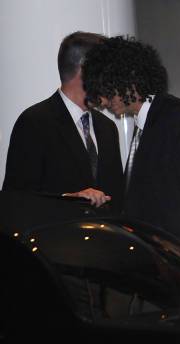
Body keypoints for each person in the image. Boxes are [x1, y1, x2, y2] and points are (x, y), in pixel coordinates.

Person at [81, 36, 180, 295]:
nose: (101, 100)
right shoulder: (151, 124)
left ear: (127, 78)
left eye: (103, 87)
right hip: (179, 275)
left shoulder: (177, 118)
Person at [2, 31, 123, 212]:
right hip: (55, 238)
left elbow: (117, 199)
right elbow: (15, 199)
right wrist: (69, 199)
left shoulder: (108, 127)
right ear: (85, 69)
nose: (112, 81)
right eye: (105, 71)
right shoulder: (34, 122)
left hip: (105, 238)